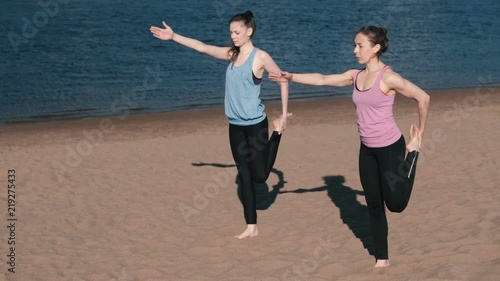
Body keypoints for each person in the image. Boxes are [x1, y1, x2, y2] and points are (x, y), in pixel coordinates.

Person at [270, 26, 430, 267]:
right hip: (366, 149)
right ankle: (382, 259)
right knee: (374, 205)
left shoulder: (388, 78)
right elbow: (323, 79)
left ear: (376, 48)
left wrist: (420, 134)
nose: (355, 50)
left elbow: (423, 97)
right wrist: (291, 76)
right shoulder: (355, 76)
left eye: (360, 46)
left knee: (395, 204)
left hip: (390, 148)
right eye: (354, 45)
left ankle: (414, 153)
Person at [150, 11, 291, 239]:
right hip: (235, 126)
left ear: (249, 31)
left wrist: (283, 115)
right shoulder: (231, 55)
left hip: (256, 125)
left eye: (237, 32)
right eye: (230, 32)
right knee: (244, 175)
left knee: (260, 177)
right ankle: (251, 226)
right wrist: (174, 36)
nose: (233, 36)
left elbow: (283, 80)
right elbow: (202, 47)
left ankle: (277, 133)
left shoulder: (260, 57)